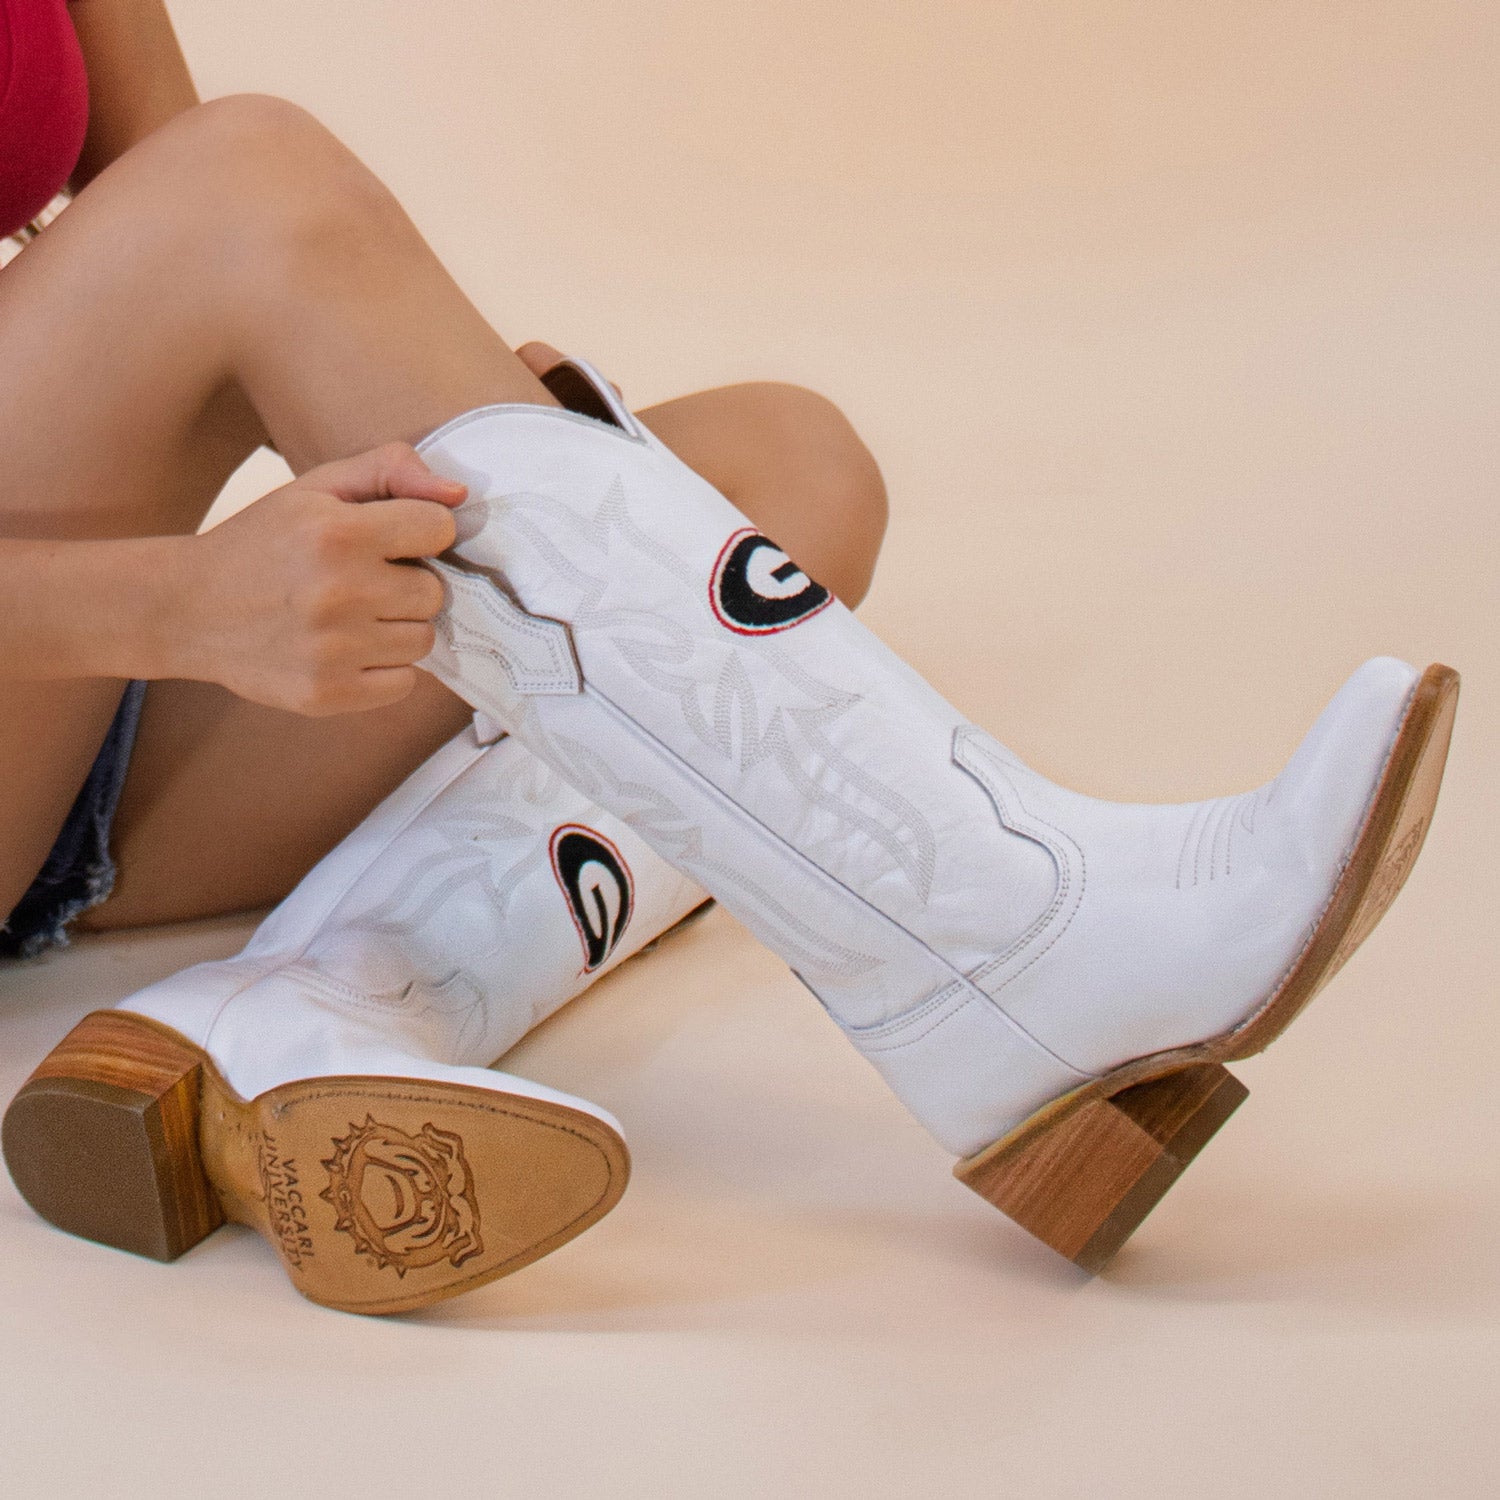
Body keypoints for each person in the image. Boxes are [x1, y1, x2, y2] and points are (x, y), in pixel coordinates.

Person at [0, 2, 1457, 1314]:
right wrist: (177, 607)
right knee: (252, 179)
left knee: (785, 469)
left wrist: (459, 415)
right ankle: (1021, 940)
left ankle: (289, 1016)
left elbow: (160, 241)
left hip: (48, 724)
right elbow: (219, 219)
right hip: (84, 631)